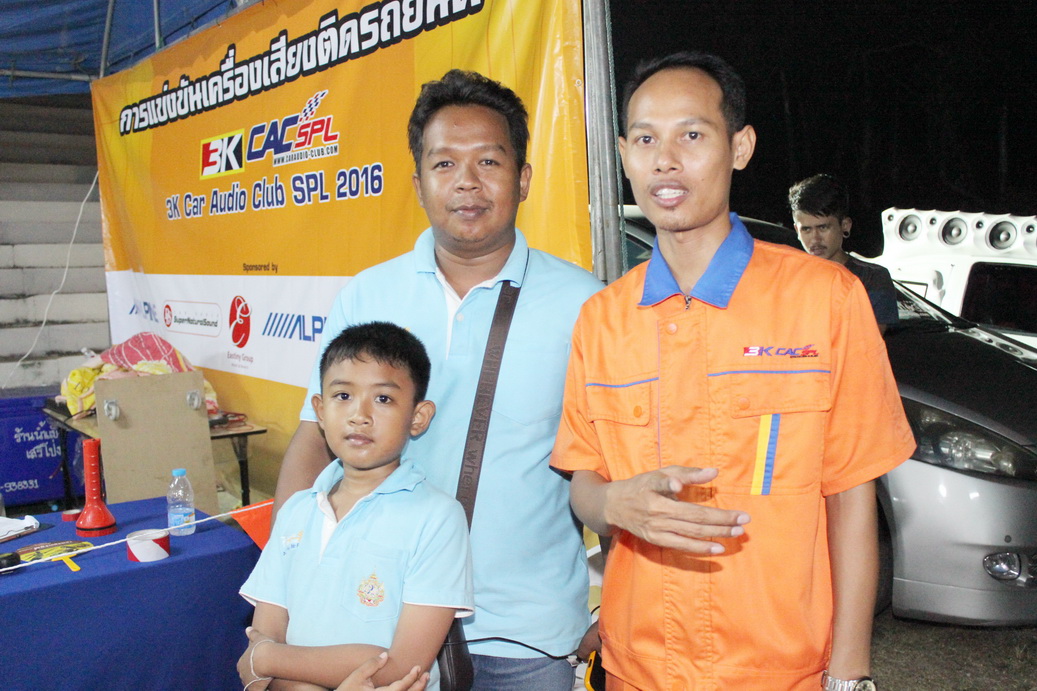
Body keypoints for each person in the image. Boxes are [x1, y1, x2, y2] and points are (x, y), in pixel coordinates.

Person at [551, 52, 916, 690]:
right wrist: (610, 502)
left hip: (780, 669)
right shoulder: (601, 320)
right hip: (639, 668)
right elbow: (585, 479)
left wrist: (850, 674)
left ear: (739, 147)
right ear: (624, 155)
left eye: (692, 135)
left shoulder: (825, 299)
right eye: (645, 140)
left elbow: (852, 497)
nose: (666, 160)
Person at [274, 69, 603, 690]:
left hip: (526, 636)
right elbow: (314, 442)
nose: (467, 182)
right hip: (372, 627)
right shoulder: (368, 295)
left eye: (489, 162)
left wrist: (619, 602)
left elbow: (611, 465)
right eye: (445, 163)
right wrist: (287, 588)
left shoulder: (584, 305)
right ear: (418, 182)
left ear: (523, 178)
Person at [239, 322, 473, 690]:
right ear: (320, 410)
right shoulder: (297, 511)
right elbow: (258, 664)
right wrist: (269, 665)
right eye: (343, 395)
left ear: (418, 417)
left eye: (383, 399)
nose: (359, 414)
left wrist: (267, 658)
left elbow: (402, 667)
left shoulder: (437, 518)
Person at [789, 173, 899, 333]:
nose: (815, 239)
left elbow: (867, 341)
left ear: (845, 225)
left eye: (823, 227)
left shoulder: (871, 278)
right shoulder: (788, 277)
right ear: (796, 230)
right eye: (806, 229)